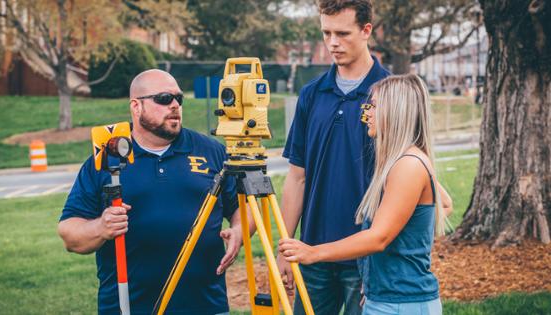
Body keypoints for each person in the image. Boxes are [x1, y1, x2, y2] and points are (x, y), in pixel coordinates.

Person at [57, 69, 243, 315]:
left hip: (205, 305)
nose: (175, 105)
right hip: (128, 306)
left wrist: (240, 230)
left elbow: (241, 208)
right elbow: (69, 233)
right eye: (164, 98)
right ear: (136, 106)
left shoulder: (212, 152)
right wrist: (101, 227)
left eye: (179, 98)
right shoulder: (106, 159)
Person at [279, 74, 453, 315]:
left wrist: (313, 252)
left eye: (373, 106)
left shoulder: (408, 165)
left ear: (395, 111)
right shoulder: (404, 161)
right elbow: (444, 204)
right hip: (386, 298)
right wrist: (375, 281)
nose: (366, 113)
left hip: (402, 303)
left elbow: (378, 238)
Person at [277, 0, 389, 314]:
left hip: (367, 256)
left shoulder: (391, 93)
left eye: (342, 33)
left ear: (366, 30)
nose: (332, 43)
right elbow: (297, 177)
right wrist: (284, 248)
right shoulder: (311, 94)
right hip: (311, 253)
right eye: (326, 33)